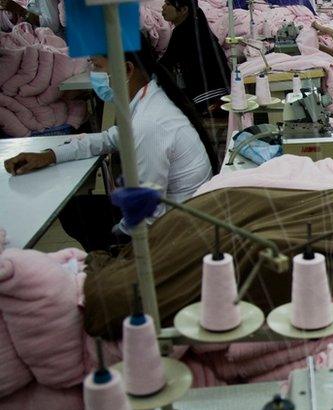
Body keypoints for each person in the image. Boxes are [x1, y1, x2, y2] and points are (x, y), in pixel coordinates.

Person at [3, 36, 218, 252]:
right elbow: (109, 138)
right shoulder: (151, 97)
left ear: (126, 69)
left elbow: (147, 215)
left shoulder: (149, 122)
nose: (93, 74)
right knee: (75, 210)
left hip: (175, 232)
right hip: (174, 212)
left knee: (78, 215)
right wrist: (50, 155)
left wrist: (117, 237)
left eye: (97, 66)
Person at [159, 0, 231, 110]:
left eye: (168, 4)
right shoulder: (198, 25)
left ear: (183, 10)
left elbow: (165, 64)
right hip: (224, 93)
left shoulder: (182, 32)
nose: (163, 7)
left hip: (207, 98)